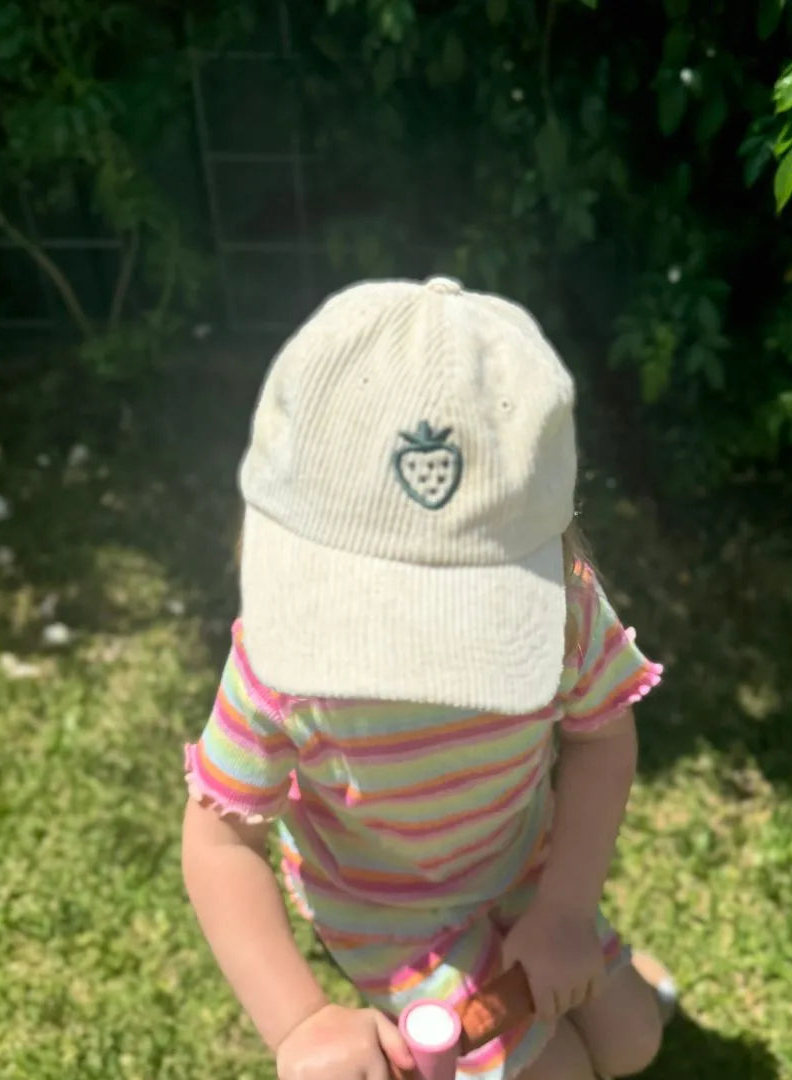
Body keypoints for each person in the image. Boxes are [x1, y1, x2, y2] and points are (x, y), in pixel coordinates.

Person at [181, 277, 674, 1080]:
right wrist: (302, 1022)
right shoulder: (281, 660)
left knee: (632, 1041)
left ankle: (584, 970)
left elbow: (601, 740)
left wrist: (564, 910)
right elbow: (219, 840)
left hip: (521, 868)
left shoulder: (561, 609)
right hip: (388, 910)